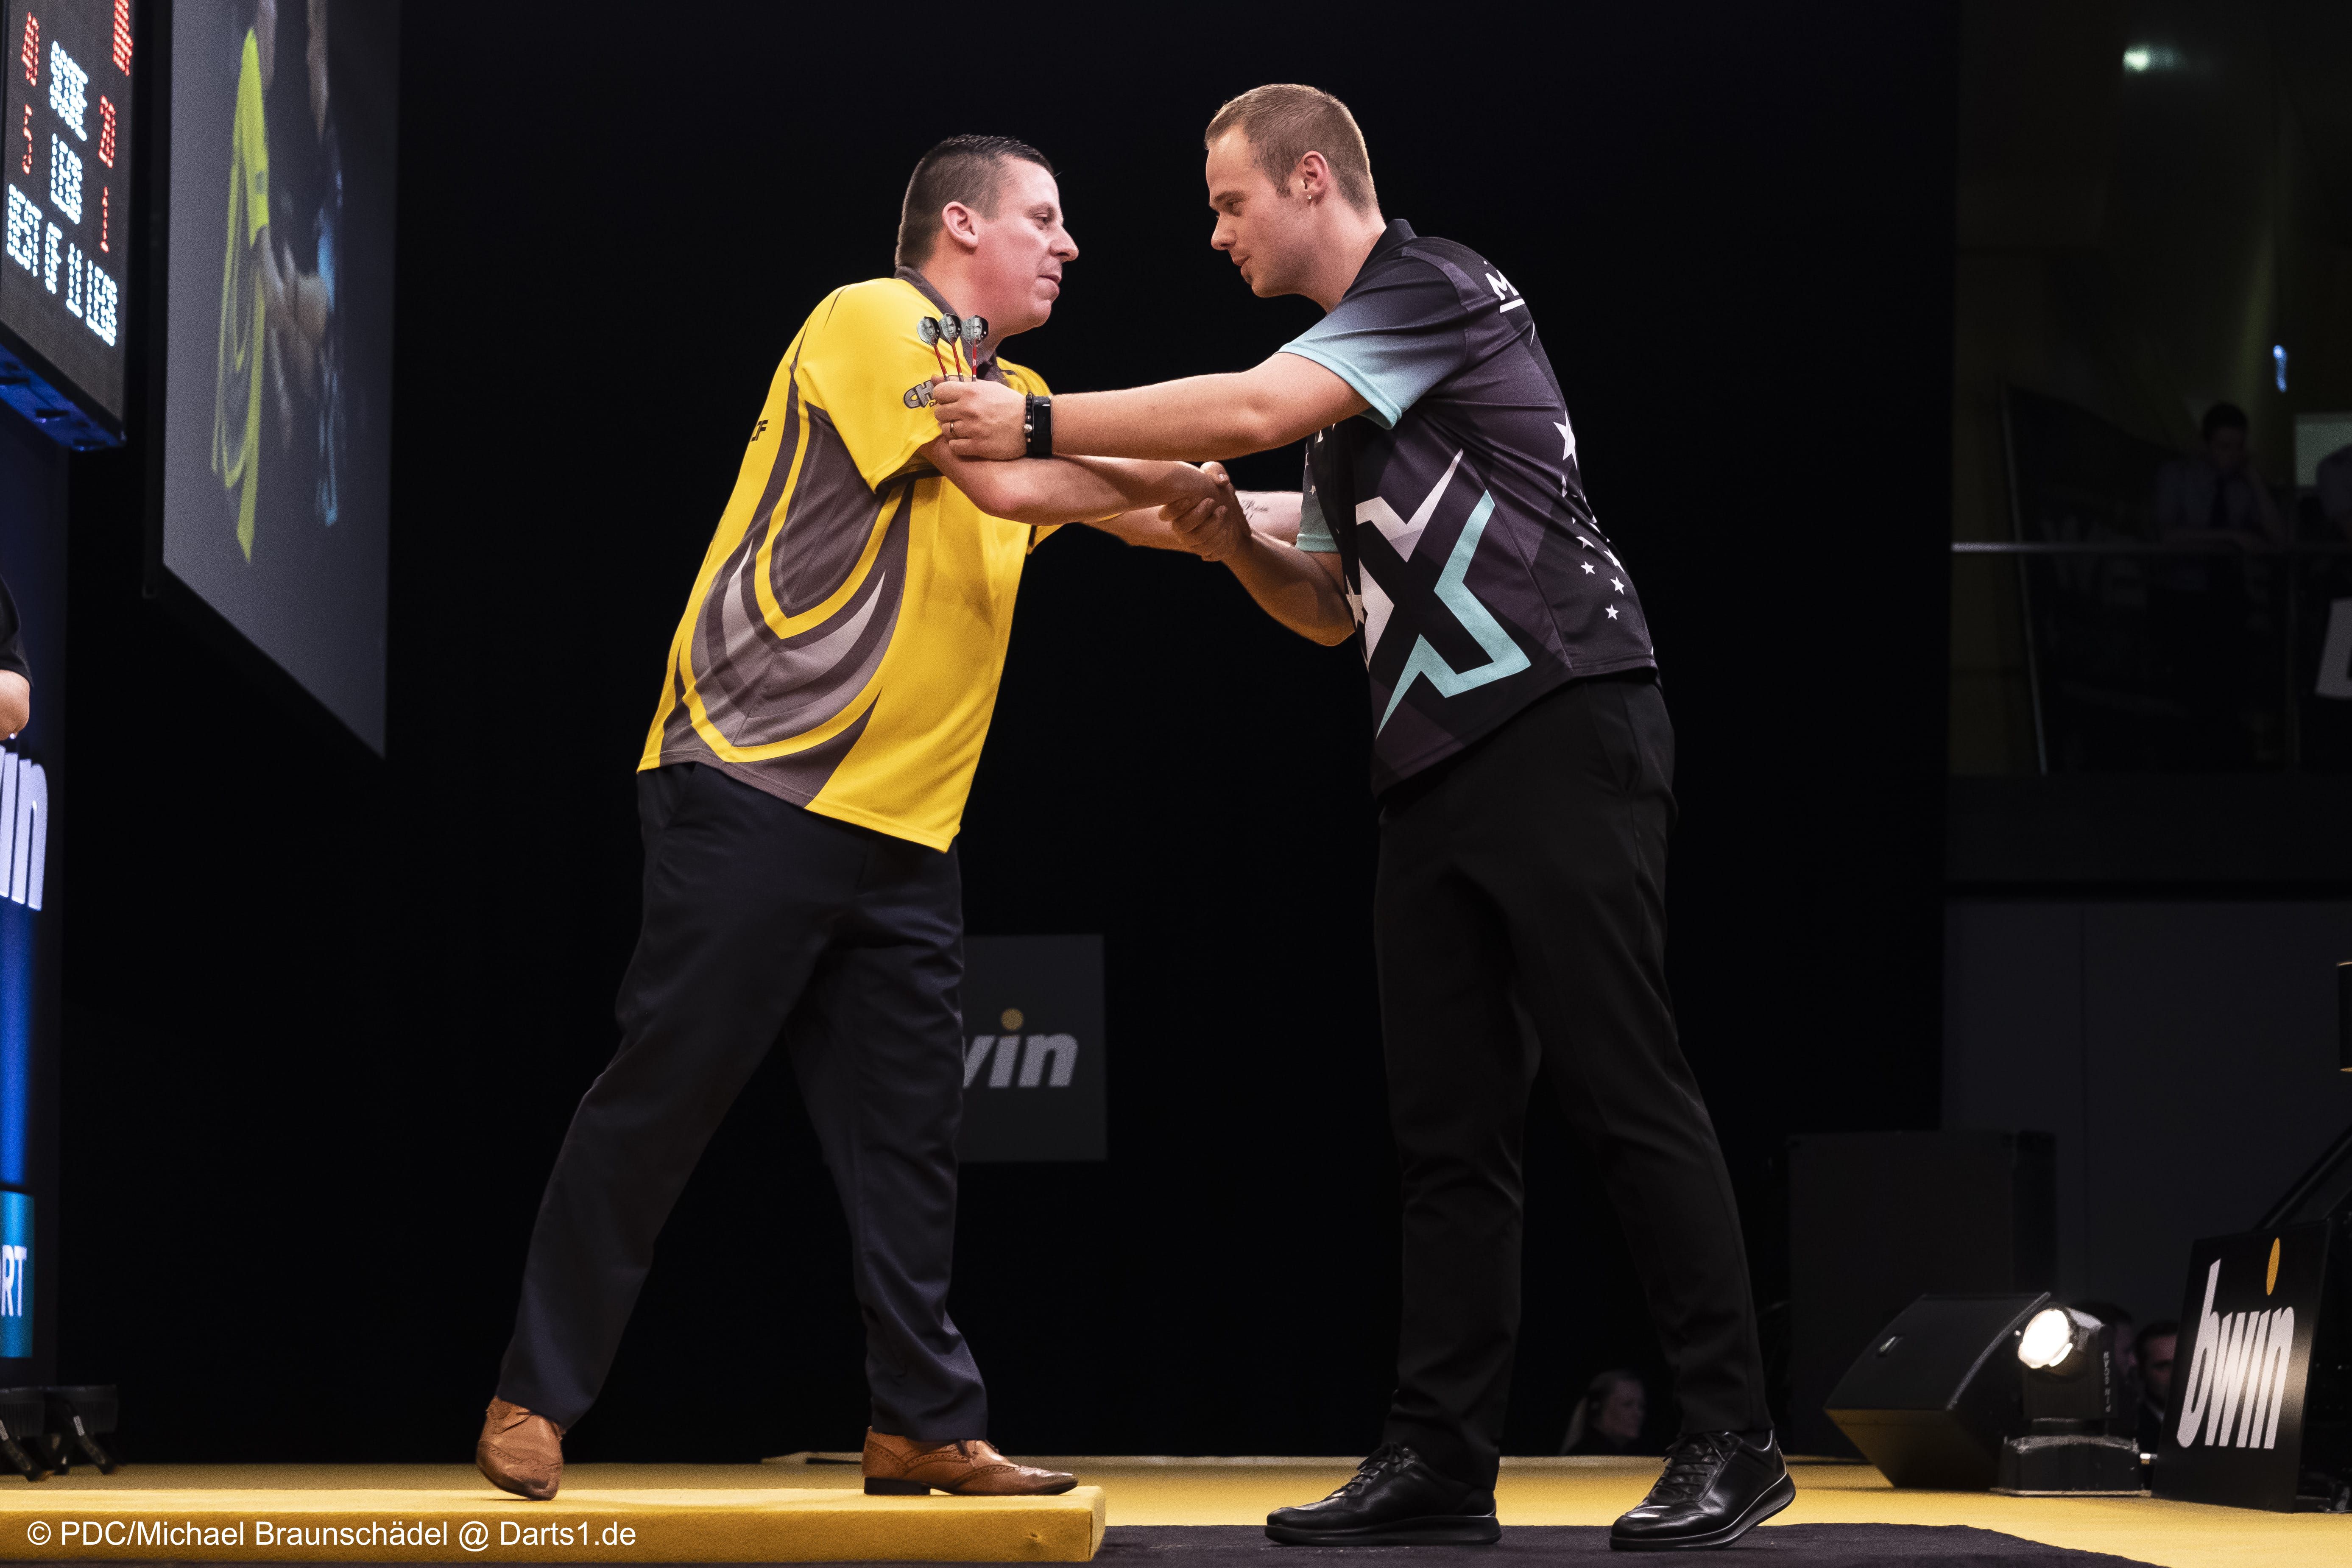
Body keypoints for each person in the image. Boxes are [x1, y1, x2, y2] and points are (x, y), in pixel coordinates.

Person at [933, 84, 1786, 1553]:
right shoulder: (1345, 417)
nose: (1215, 233)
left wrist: (1035, 416)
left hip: (1561, 718)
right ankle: (1441, 1455)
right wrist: (1198, 532)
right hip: (1432, 766)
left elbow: (1248, 411)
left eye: (1229, 202)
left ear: (1311, 178)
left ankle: (1734, 1432)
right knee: (1447, 1133)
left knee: (1623, 1082)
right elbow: (1326, 600)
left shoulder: (1435, 289)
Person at [475, 135, 1224, 1504]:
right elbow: (1008, 480)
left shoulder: (1024, 396)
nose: (1068, 245)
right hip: (755, 781)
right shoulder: (876, 318)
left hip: (907, 833)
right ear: (961, 225)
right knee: (665, 1092)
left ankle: (920, 1422)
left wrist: (1324, 522)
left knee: (909, 1140)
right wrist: (1189, 472)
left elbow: (1157, 515)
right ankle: (533, 1392)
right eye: (1043, 217)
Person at [1561, 1370, 1649, 1457]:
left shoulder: (1618, 1455)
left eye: (1641, 1406)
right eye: (1627, 1404)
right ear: (1598, 1408)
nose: (1639, 1414)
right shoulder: (1588, 1457)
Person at [2135, 1320, 2178, 1454]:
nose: (2176, 1375)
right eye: (2163, 1367)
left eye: (2184, 1362)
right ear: (2142, 1371)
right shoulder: (2131, 1431)